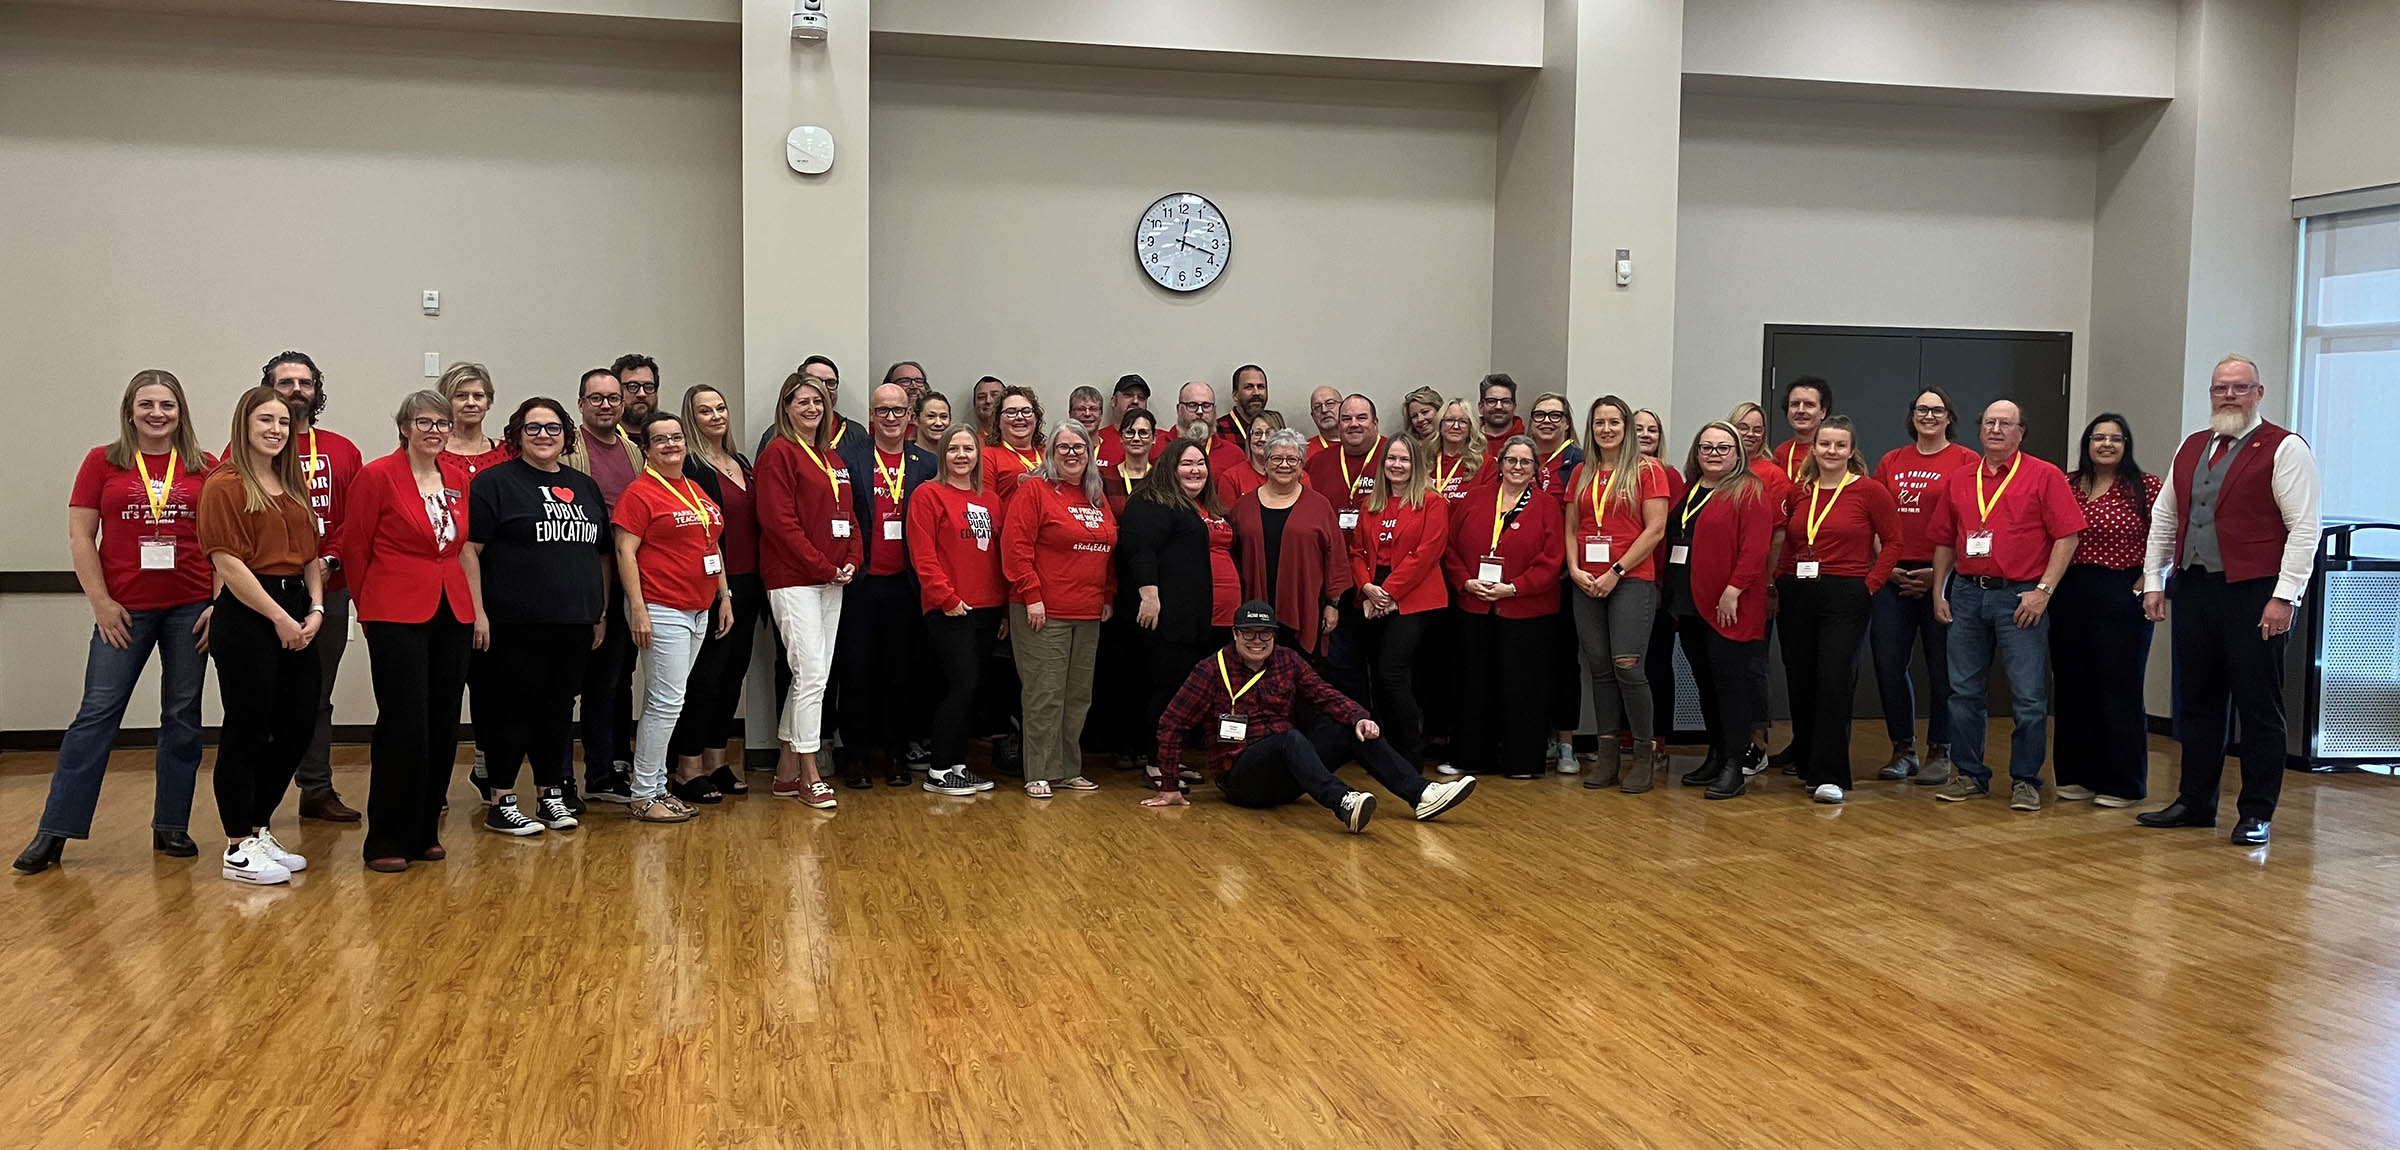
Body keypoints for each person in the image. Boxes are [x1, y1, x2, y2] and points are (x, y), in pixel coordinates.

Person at [14, 371, 216, 874]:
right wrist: (100, 602)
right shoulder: (102, 462)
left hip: (191, 607)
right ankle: (55, 829)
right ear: (130, 411)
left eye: (167, 404)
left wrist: (219, 604)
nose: (157, 413)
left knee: (183, 716)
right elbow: (81, 536)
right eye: (146, 403)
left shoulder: (203, 466)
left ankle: (172, 824)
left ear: (180, 412)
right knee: (97, 713)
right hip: (123, 610)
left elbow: (222, 542)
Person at [2137, 354, 2322, 846]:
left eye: (2241, 388)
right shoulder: (2192, 445)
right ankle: (2194, 802)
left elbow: (2304, 529)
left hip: (2256, 591)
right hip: (2196, 588)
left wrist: (2285, 598)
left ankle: (2256, 812)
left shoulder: (2285, 448)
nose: (2230, 396)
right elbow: (2165, 518)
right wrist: (2154, 580)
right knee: (2197, 701)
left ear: (2259, 392)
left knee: (2259, 706)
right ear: (2211, 393)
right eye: (2221, 388)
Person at [1141, 599, 1477, 831]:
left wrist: (1359, 716)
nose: (1257, 641)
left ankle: (1421, 794)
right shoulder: (1211, 670)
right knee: (1289, 738)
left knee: (1348, 727)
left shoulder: (1287, 660)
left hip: (1289, 774)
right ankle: (1343, 801)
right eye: (1249, 634)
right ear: (1235, 634)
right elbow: (1172, 724)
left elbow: (1324, 694)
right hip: (1242, 780)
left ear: (1274, 635)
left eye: (1265, 634)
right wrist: (1170, 785)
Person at [343, 391, 480, 871]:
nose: (434, 431)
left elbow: (461, 547)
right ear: (404, 426)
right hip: (394, 612)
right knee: (404, 724)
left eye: (442, 423)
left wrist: (477, 610)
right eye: (423, 422)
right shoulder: (377, 476)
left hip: (452, 610)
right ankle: (385, 838)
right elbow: (354, 548)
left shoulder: (460, 477)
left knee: (443, 725)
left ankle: (424, 830)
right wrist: (368, 607)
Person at [1927, 400, 2085, 811]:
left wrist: (2044, 590)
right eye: (1990, 422)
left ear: (2021, 431)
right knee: (1962, 692)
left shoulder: (2044, 475)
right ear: (1980, 430)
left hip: (2020, 596)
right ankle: (1969, 774)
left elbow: (2067, 536)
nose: (1996, 429)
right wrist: (1938, 591)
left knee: (2029, 696)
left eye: (2006, 423)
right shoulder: (1961, 478)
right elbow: (1944, 539)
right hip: (1965, 592)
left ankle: (2025, 780)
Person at [198, 386, 325, 885]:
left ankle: (258, 825)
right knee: (247, 728)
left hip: (297, 608)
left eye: (282, 422)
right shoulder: (225, 484)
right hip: (250, 614)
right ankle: (236, 845)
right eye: (264, 421)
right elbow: (228, 562)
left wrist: (314, 609)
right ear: (244, 426)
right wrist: (277, 617)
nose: (275, 430)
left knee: (296, 725)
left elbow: (312, 554)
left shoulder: (291, 483)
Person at [464, 397, 606, 837]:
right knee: (512, 711)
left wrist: (597, 611)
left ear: (566, 435)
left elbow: (599, 554)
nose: (544, 436)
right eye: (533, 428)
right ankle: (501, 799)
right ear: (517, 435)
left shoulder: (584, 486)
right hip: (514, 623)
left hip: (574, 622)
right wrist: (478, 613)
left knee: (559, 712)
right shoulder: (495, 484)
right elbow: (470, 550)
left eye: (552, 428)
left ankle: (550, 794)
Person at [258, 351, 364, 825]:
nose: (296, 390)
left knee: (318, 694)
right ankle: (257, 802)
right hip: (264, 590)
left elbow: (353, 520)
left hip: (330, 586)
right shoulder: (248, 450)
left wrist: (328, 559)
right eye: (285, 383)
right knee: (264, 695)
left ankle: (316, 789)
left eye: (304, 382)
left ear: (317, 391)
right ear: (267, 389)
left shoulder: (342, 450)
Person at [612, 408, 732, 824]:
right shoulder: (640, 493)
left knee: (671, 702)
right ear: (645, 448)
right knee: (665, 703)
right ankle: (644, 794)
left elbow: (711, 544)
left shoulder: (696, 490)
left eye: (676, 437)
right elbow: (625, 551)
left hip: (699, 608)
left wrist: (725, 597)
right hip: (661, 607)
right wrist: (639, 610)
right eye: (660, 439)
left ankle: (659, 786)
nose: (671, 444)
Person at [1773, 416, 1901, 804]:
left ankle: (1831, 774)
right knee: (1801, 679)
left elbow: (1893, 542)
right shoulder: (1800, 492)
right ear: (1814, 448)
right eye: (1824, 444)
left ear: (1851, 450)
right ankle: (1809, 764)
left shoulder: (1869, 491)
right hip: (1798, 592)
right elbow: (1790, 543)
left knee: (1833, 679)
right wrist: (1777, 584)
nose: (1831, 452)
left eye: (1839, 446)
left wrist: (1870, 585)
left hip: (1846, 594)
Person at [2047, 413, 2163, 810]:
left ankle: (2123, 782)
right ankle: (2076, 775)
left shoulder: (2146, 487)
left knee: (2119, 686)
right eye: (2099, 437)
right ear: (2087, 443)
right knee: (2073, 684)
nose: (2107, 444)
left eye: (2116, 438)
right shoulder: (2067, 484)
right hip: (2070, 591)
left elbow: (2168, 536)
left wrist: (2149, 580)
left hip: (2122, 592)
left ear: (2127, 444)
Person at [1115, 438, 1243, 787]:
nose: (1195, 470)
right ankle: (1157, 762)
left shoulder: (1198, 506)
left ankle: (1172, 757)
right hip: (1167, 618)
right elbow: (1139, 549)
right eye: (1186, 463)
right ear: (1170, 466)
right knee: (1164, 688)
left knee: (1186, 693)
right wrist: (1150, 594)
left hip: (1201, 620)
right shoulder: (1150, 500)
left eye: (1200, 463)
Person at [1868, 387, 1981, 784]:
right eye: (1921, 409)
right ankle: (1903, 748)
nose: (1929, 416)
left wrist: (1940, 572)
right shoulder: (1891, 460)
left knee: (1943, 668)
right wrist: (1889, 565)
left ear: (1949, 416)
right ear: (1911, 415)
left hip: (1944, 577)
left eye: (1937, 410)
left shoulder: (1967, 460)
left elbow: (1974, 520)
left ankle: (1941, 749)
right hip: (1893, 577)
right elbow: (1876, 519)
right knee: (1887, 664)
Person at [1001, 418, 1117, 798]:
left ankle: (1068, 768)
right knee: (1044, 693)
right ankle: (1039, 771)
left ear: (1090, 453)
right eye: (1063, 447)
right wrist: (1031, 595)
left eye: (1079, 447)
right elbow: (1016, 548)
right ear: (1050, 452)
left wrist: (1107, 596)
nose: (1072, 454)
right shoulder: (1035, 490)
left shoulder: (1095, 495)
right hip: (1042, 611)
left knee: (1077, 695)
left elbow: (1109, 549)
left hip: (1087, 612)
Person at [756, 370, 856, 809]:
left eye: (818, 402)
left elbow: (850, 517)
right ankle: (809, 773)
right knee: (812, 674)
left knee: (810, 675)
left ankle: (785, 769)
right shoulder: (779, 453)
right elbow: (779, 524)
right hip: (794, 578)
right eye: (802, 402)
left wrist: (852, 559)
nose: (812, 409)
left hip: (833, 579)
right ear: (787, 408)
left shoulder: (831, 458)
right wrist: (824, 566)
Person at [832, 382, 937, 789]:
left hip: (905, 586)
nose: (890, 418)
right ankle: (856, 757)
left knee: (901, 674)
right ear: (872, 417)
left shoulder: (926, 463)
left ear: (910, 416)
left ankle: (894, 754)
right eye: (882, 411)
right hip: (861, 583)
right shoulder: (849, 458)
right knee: (855, 672)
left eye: (898, 411)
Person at [1564, 395, 1671, 793]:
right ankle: (1607, 755)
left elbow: (1655, 529)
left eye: (1614, 423)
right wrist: (1574, 569)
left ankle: (1643, 753)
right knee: (1600, 669)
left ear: (1626, 427)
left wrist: (1616, 570)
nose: (1606, 430)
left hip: (1630, 579)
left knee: (1628, 666)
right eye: (1598, 423)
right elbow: (1572, 526)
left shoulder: (1648, 470)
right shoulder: (1582, 473)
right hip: (1586, 582)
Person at [1445, 435, 1565, 780]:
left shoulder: (1546, 506)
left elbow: (1551, 560)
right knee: (1472, 684)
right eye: (1511, 460)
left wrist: (1513, 588)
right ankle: (1469, 757)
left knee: (1523, 687)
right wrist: (1465, 582)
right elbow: (1450, 547)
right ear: (1499, 464)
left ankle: (1522, 761)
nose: (1517, 467)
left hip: (1526, 611)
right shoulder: (1474, 498)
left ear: (1534, 469)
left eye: (1525, 462)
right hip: (1475, 605)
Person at [1665, 422, 1773, 799]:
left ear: (1737, 454)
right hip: (1689, 602)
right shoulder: (1691, 489)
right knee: (1706, 685)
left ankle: (1734, 765)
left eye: (1723, 447)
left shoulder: (1749, 490)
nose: (1713, 453)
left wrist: (1733, 590)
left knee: (1731, 687)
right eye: (1706, 447)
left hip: (1730, 605)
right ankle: (1714, 755)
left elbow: (1755, 549)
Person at [666, 385, 764, 802]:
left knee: (731, 677)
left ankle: (716, 760)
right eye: (704, 411)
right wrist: (719, 591)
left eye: (720, 407)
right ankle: (686, 768)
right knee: (704, 678)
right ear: (691, 419)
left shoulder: (741, 462)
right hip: (711, 586)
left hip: (748, 581)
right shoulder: (691, 466)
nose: (715, 416)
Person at [561, 368, 645, 804]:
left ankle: (603, 770)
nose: (607, 405)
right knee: (566, 684)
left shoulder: (633, 451)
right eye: (597, 398)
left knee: (610, 681)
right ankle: (559, 780)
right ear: (581, 404)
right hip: (578, 578)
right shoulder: (567, 449)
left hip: (623, 573)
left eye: (614, 398)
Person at [907, 425, 1006, 797]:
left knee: (973, 689)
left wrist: (1006, 612)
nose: (962, 456)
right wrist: (946, 597)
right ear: (942, 455)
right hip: (950, 608)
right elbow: (924, 555)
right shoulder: (928, 495)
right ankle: (938, 770)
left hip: (988, 608)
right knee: (960, 685)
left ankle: (958, 765)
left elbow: (997, 557)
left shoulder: (992, 500)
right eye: (954, 449)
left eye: (969, 449)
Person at [1349, 436, 1450, 764]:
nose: (1397, 465)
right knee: (1376, 675)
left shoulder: (1432, 502)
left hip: (1413, 595)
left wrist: (1389, 593)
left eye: (1404, 459)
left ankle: (1410, 755)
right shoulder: (1372, 503)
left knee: (1393, 672)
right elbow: (1356, 551)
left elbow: (1426, 553)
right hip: (1373, 593)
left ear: (1416, 465)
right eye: (1391, 458)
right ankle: (1384, 751)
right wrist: (1366, 587)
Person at [1229, 429, 1349, 657]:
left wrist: (1333, 605)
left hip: (1305, 606)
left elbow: (1335, 558)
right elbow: (1232, 558)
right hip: (1254, 608)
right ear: (1265, 463)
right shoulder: (1243, 507)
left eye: (1292, 459)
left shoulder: (1319, 506)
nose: (1284, 464)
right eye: (1276, 458)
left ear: (1301, 464)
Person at [1625, 409, 1683, 760]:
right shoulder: (1616, 474)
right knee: (1624, 663)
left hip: (1656, 583)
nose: (1646, 434)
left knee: (1656, 663)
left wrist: (1662, 584)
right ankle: (1623, 735)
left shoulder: (1669, 475)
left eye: (1653, 429)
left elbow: (1669, 536)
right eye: (1640, 428)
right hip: (1620, 578)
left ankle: (1656, 739)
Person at [1302, 394, 1384, 529]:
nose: (1353, 424)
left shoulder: (1394, 456)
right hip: (1330, 547)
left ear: (1375, 423)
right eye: (1346, 419)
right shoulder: (1318, 462)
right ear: (1339, 425)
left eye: (1361, 418)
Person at [437, 362, 514, 478]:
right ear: (446, 403)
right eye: (461, 396)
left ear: (488, 402)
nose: (471, 403)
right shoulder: (433, 451)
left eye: (478, 396)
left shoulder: (508, 451)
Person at [1174, 379, 1251, 478]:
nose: (1200, 411)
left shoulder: (1234, 455)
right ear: (1178, 409)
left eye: (1206, 406)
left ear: (1214, 411)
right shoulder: (1159, 447)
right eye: (1192, 405)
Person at [984, 385, 1048, 493]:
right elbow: (986, 503)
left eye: (1026, 411)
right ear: (998, 421)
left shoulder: (1050, 453)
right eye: (1011, 412)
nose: (1019, 417)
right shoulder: (988, 457)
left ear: (1036, 418)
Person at [1768, 376, 1832, 478]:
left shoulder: (1833, 451)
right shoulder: (1781, 452)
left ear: (1823, 412)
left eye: (1809, 405)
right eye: (1795, 404)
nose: (1801, 410)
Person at [1215, 409, 1281, 508]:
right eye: (1257, 433)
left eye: (1269, 434)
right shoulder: (1231, 478)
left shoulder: (1298, 476)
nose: (1262, 439)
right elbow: (1228, 521)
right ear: (1249, 438)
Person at [1100, 407, 1158, 515]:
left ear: (1154, 438)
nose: (1136, 438)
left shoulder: (1162, 478)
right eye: (1130, 432)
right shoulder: (1105, 478)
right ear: (1121, 437)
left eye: (1143, 433)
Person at [1429, 398, 1486, 505]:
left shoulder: (1485, 464)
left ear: (1471, 427)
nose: (1456, 426)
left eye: (1463, 422)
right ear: (1440, 424)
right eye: (1450, 420)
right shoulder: (1425, 461)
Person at [1094, 374, 1152, 466]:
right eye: (1128, 395)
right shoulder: (1096, 440)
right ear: (1113, 401)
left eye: (1141, 397)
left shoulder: (1162, 441)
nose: (1135, 401)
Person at [1225, 364, 1270, 440]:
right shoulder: (1218, 431)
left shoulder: (1275, 430)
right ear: (1235, 395)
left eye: (1260, 387)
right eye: (1249, 387)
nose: (1256, 392)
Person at [612, 353, 661, 421]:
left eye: (648, 387)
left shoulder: (669, 429)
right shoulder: (603, 430)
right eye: (632, 386)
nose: (642, 394)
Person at [1477, 373, 1525, 441]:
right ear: (1481, 407)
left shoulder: (1527, 444)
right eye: (1492, 401)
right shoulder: (1466, 442)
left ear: (1514, 407)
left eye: (1505, 401)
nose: (1498, 407)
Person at [1304, 386, 1342, 458]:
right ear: (1313, 416)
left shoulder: (1360, 443)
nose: (1324, 410)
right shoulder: (1305, 451)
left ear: (1343, 407)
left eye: (1330, 403)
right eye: (1317, 407)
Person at [912, 390, 954, 455]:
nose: (938, 423)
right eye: (931, 416)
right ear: (916, 419)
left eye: (943, 417)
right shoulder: (905, 455)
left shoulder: (954, 456)